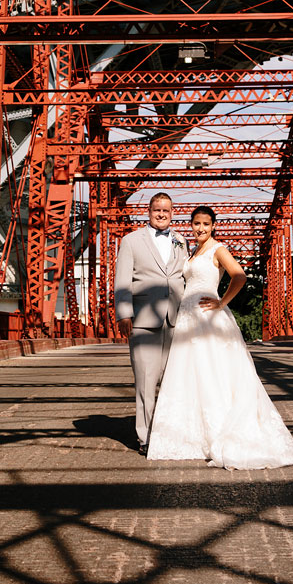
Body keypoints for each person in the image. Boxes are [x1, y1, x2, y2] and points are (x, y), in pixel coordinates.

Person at [146, 205, 293, 470]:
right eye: (196, 224)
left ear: (214, 226)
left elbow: (239, 276)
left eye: (206, 224)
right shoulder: (193, 250)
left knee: (212, 372)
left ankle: (218, 431)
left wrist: (221, 303)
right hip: (188, 317)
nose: (201, 229)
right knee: (191, 373)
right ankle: (192, 437)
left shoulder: (218, 249)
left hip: (208, 317)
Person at [114, 192, 189, 454]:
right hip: (143, 320)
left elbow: (182, 277)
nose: (161, 214)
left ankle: (168, 432)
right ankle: (145, 438)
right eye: (157, 209)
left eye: (166, 210)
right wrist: (124, 314)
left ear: (172, 212)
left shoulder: (181, 240)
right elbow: (122, 280)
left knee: (172, 381)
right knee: (146, 381)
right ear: (149, 211)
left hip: (176, 319)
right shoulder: (131, 241)